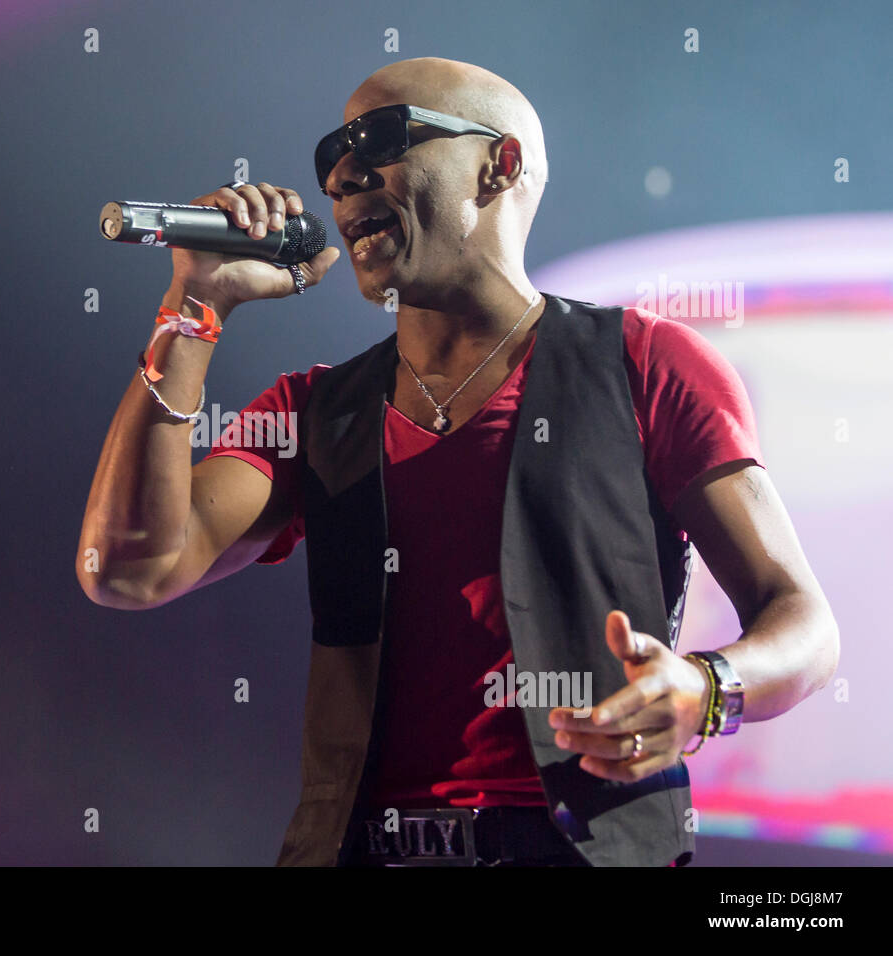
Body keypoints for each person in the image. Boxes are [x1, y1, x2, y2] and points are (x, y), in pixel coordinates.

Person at [76, 57, 840, 867]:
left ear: (498, 164)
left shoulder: (644, 365)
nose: (341, 177)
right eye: (329, 159)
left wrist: (706, 689)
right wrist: (194, 308)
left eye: (377, 140)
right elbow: (128, 568)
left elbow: (805, 626)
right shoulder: (314, 411)